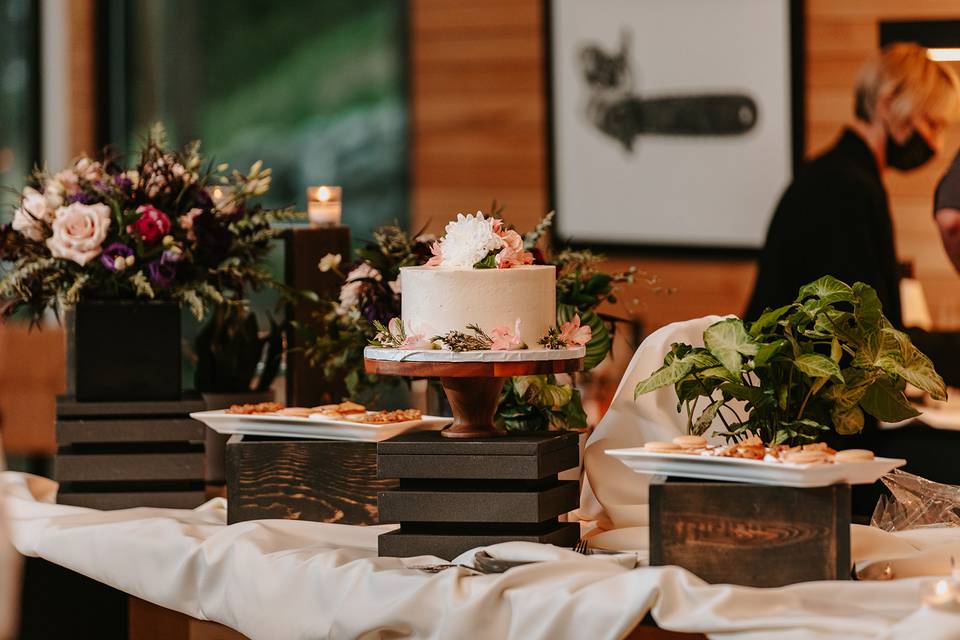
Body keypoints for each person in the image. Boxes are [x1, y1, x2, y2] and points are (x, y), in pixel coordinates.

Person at [746, 43, 960, 517]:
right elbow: (869, 344)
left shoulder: (844, 178)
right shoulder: (842, 189)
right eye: (931, 123)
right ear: (888, 103)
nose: (937, 144)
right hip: (810, 439)